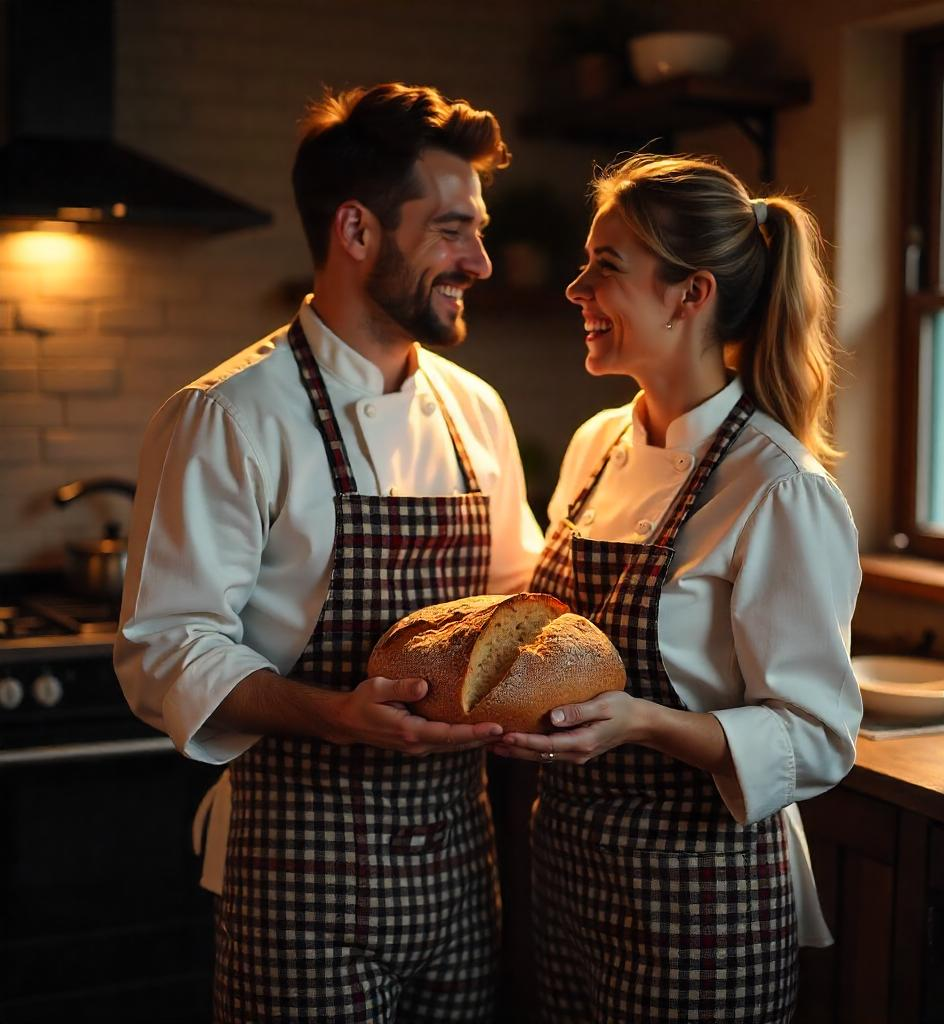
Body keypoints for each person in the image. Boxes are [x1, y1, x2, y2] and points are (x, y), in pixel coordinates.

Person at [114, 83, 543, 1023]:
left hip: (460, 877)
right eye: (451, 230)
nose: (479, 260)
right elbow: (166, 649)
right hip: (297, 872)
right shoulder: (229, 414)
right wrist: (339, 715)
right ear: (356, 231)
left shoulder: (477, 412)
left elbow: (519, 609)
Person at [493, 154, 863, 1023]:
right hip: (571, 879)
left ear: (689, 295)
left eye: (606, 268)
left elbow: (818, 739)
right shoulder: (595, 447)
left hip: (702, 897)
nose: (577, 289)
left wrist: (644, 723)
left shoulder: (777, 487)